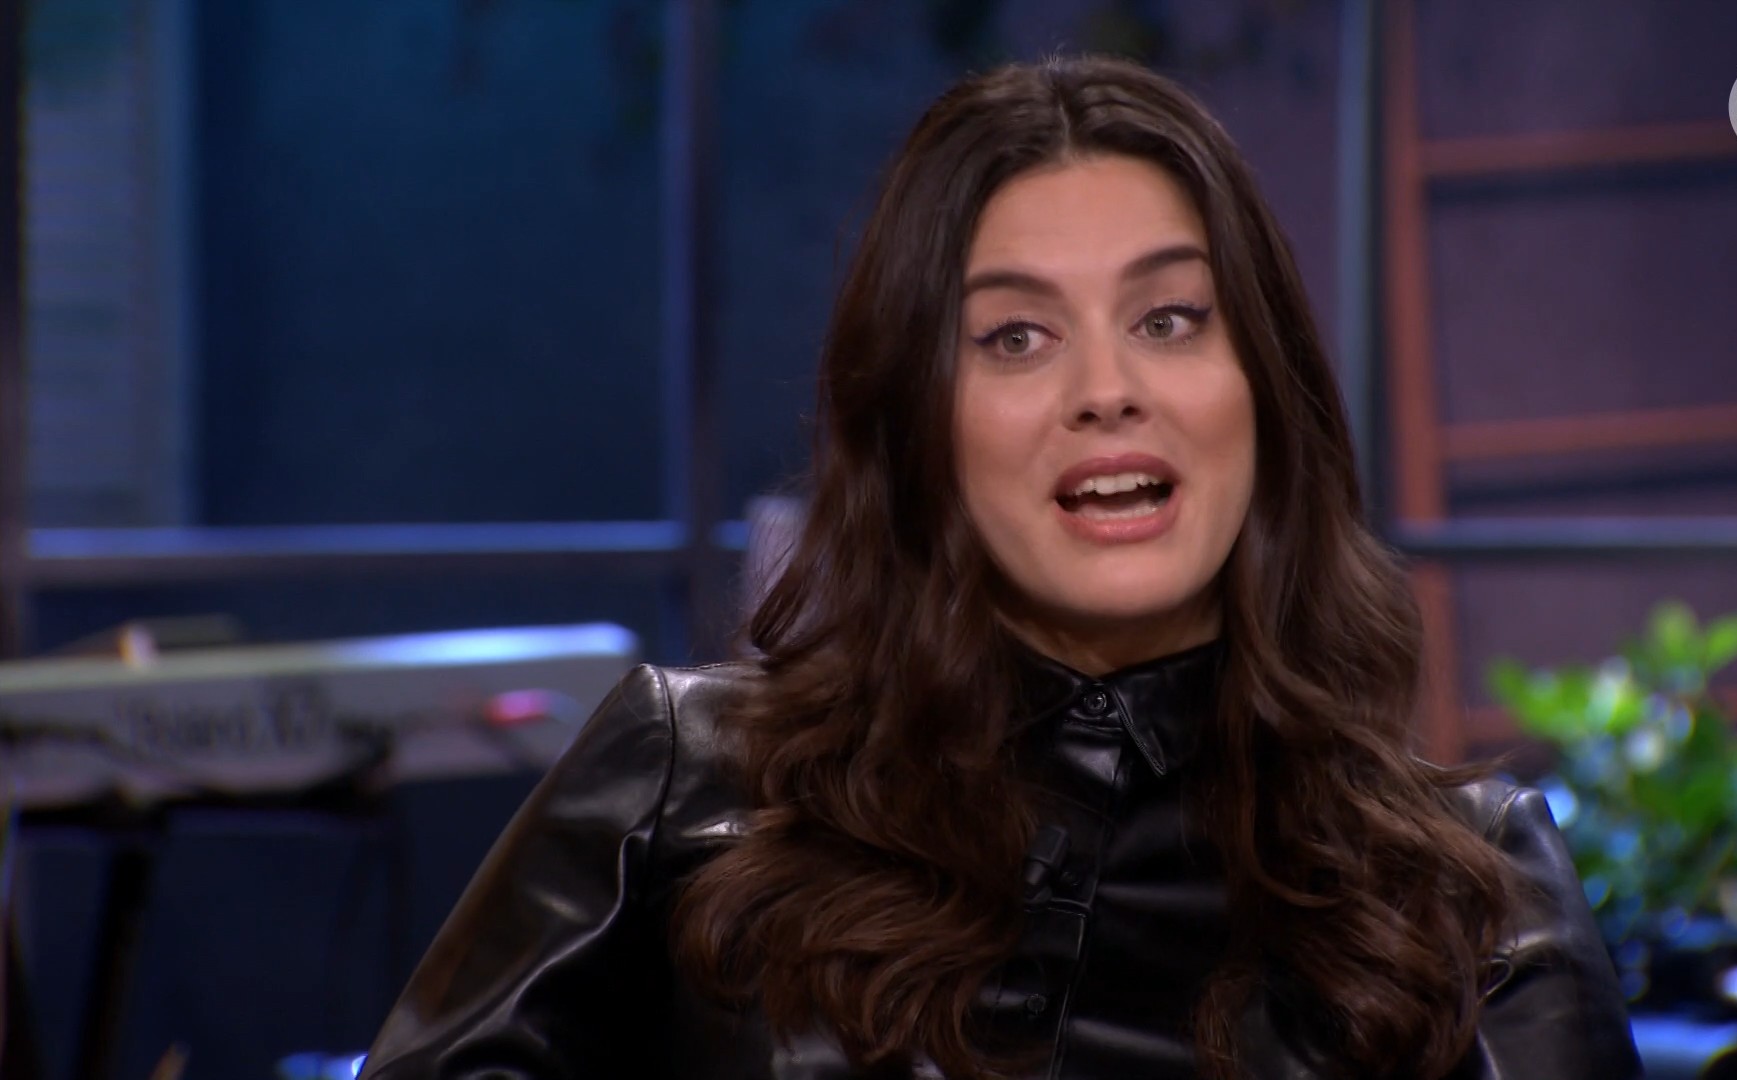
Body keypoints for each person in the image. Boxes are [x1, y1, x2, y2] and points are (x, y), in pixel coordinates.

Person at [360, 55, 1641, 1079]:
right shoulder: (680, 787)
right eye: (1016, 337)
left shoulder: (1470, 894)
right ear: (918, 425)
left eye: (1169, 319)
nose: (1107, 390)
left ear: (1264, 386)